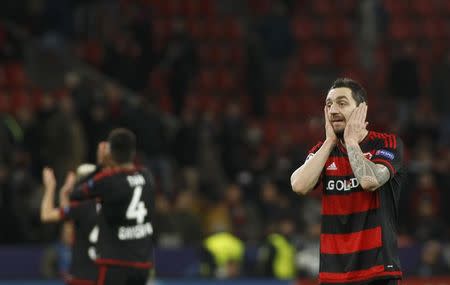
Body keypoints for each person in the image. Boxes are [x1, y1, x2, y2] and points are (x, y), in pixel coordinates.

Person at [291, 78, 404, 284]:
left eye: (341, 103)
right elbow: (299, 185)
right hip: (333, 275)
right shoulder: (322, 152)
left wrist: (352, 141)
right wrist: (328, 142)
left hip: (377, 272)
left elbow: (369, 181)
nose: (333, 110)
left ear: (362, 110)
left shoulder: (386, 143)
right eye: (328, 104)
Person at [70, 128, 155, 285]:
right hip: (143, 263)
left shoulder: (108, 181)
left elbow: (75, 194)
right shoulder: (147, 176)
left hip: (115, 263)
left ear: (111, 153)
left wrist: (99, 165)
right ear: (133, 152)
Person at [40, 164, 98, 285]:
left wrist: (50, 187)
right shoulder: (111, 204)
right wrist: (64, 195)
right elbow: (68, 236)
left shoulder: (82, 208)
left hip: (84, 275)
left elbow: (47, 215)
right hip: (108, 273)